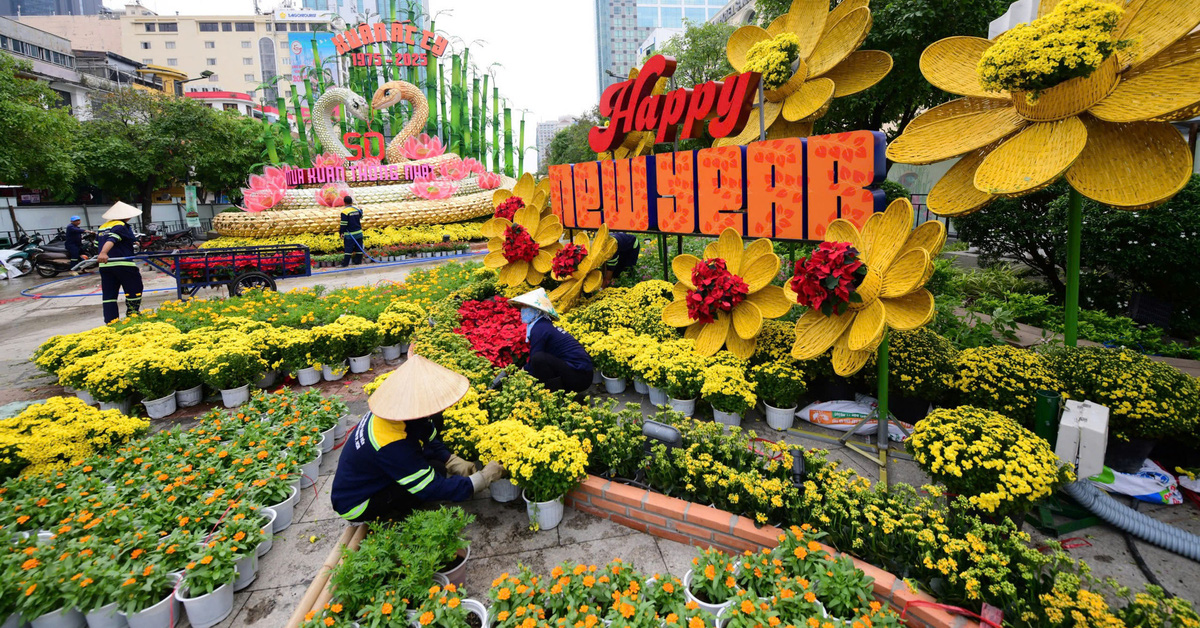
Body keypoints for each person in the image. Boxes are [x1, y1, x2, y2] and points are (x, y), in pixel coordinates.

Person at [330, 354, 504, 523]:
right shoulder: (393, 445)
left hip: (373, 471)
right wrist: (481, 479)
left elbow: (428, 435)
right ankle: (394, 513)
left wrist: (450, 459)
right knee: (425, 483)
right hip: (358, 503)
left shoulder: (393, 410)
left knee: (438, 466)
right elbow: (432, 488)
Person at [511, 288, 595, 394]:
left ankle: (554, 395)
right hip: (580, 373)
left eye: (526, 306)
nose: (522, 310)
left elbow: (535, 358)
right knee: (539, 359)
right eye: (522, 306)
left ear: (537, 310)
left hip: (580, 376)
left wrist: (521, 375)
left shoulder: (540, 328)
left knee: (538, 359)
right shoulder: (542, 324)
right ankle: (554, 391)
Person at [96, 202, 143, 324]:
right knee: (135, 289)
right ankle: (133, 314)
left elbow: (97, 244)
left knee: (109, 295)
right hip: (123, 264)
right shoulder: (121, 226)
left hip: (106, 266)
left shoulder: (102, 227)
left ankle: (111, 321)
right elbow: (113, 239)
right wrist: (104, 253)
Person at [340, 196, 364, 267]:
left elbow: (343, 223)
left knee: (348, 249)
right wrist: (361, 209)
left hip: (350, 234)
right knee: (359, 248)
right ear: (352, 202)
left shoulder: (344, 212)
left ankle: (345, 264)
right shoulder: (356, 209)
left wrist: (341, 232)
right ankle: (358, 261)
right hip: (359, 233)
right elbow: (361, 216)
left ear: (344, 202)